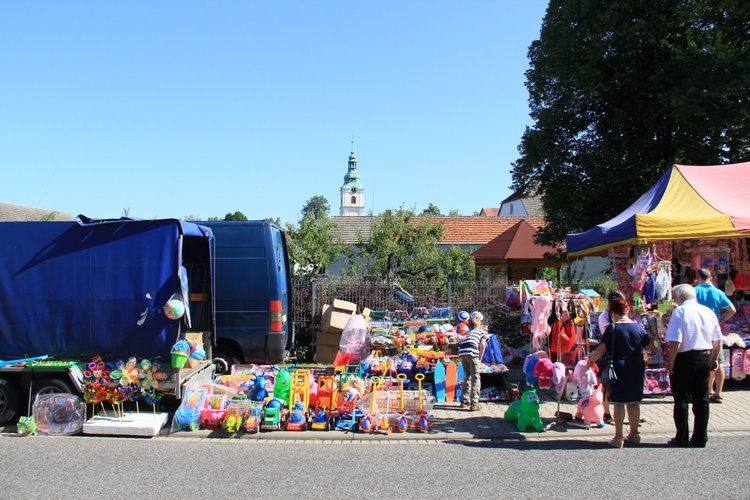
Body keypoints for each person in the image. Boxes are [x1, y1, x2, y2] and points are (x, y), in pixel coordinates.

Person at [588, 297, 650, 448]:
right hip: (636, 365)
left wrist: (591, 361)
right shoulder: (639, 327)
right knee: (633, 401)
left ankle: (618, 437)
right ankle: (634, 434)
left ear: (613, 312)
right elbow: (648, 347)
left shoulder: (612, 328)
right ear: (627, 310)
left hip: (618, 366)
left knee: (619, 402)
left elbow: (601, 349)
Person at [665, 284, 722, 447]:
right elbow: (717, 340)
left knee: (681, 400)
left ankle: (681, 437)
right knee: (702, 399)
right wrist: (714, 359)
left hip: (684, 358)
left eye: (675, 296)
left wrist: (671, 361)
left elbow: (676, 339)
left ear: (681, 297)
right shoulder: (708, 312)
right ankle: (700, 437)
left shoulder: (680, 311)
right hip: (703, 355)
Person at [694, 268, 736, 404]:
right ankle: (717, 393)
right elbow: (732, 310)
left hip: (699, 329)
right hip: (714, 330)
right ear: (711, 278)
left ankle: (705, 390)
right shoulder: (718, 292)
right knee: (717, 361)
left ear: (698, 278)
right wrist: (719, 319)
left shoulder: (694, 291)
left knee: (701, 359)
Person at [597, 290, 627, 426]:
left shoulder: (622, 316)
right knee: (607, 384)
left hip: (622, 353)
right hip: (609, 353)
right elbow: (610, 334)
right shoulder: (604, 316)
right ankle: (606, 413)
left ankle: (625, 414)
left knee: (622, 385)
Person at [458, 311, 489, 411]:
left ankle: (464, 401)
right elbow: (483, 345)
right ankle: (474, 403)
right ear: (480, 325)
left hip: (462, 352)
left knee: (467, 377)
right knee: (475, 377)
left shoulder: (469, 333)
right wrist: (479, 358)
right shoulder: (482, 332)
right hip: (472, 353)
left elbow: (463, 343)